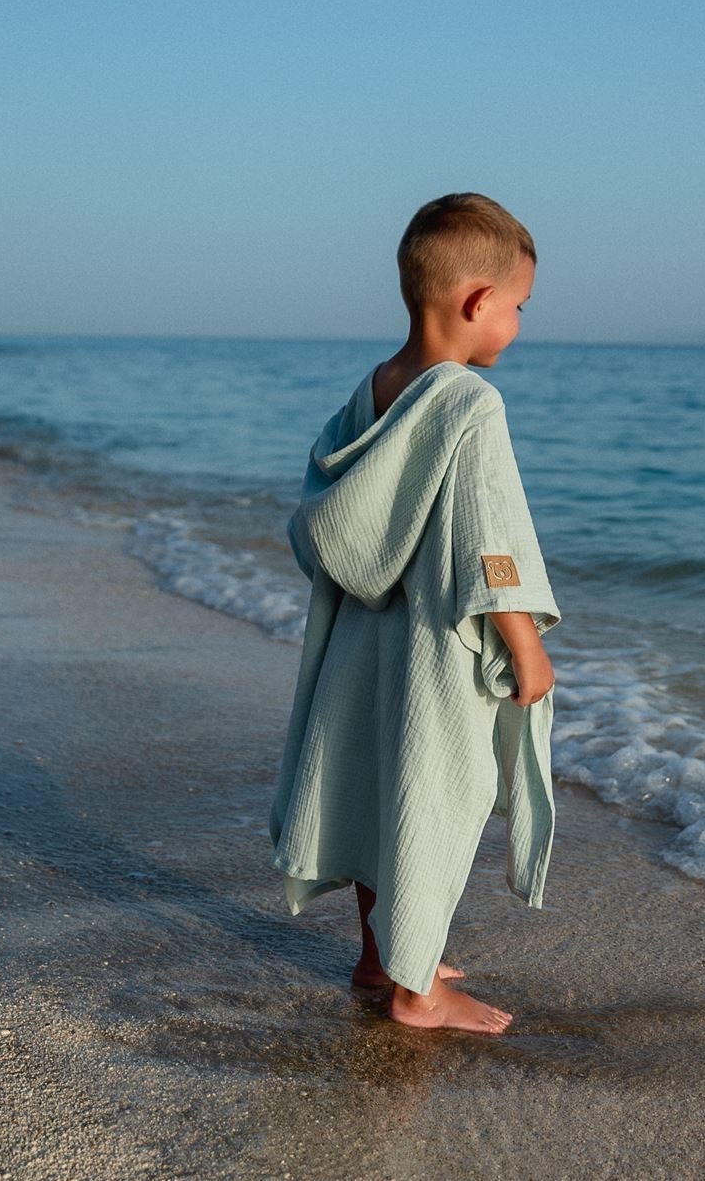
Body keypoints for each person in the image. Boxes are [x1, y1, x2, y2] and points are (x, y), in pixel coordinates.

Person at [269, 191, 561, 1034]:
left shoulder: (372, 393)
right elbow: (490, 539)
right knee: (432, 800)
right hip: (434, 648)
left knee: (374, 793)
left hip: (364, 644)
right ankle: (417, 993)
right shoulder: (469, 403)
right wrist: (525, 648)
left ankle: (381, 954)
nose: (517, 326)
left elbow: (329, 511)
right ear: (479, 303)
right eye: (519, 309)